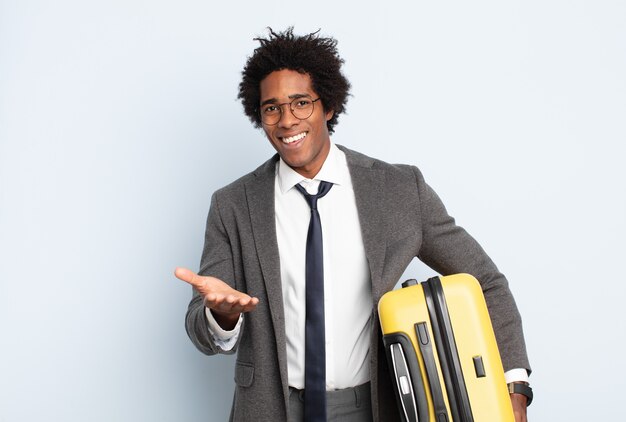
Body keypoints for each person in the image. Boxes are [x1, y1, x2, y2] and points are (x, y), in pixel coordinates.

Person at [175, 27, 532, 422]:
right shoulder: (233, 205)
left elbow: (486, 281)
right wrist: (222, 316)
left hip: (372, 406)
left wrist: (514, 386)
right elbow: (201, 330)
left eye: (301, 103)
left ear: (327, 106)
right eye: (271, 108)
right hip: (270, 409)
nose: (287, 120)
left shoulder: (397, 189)